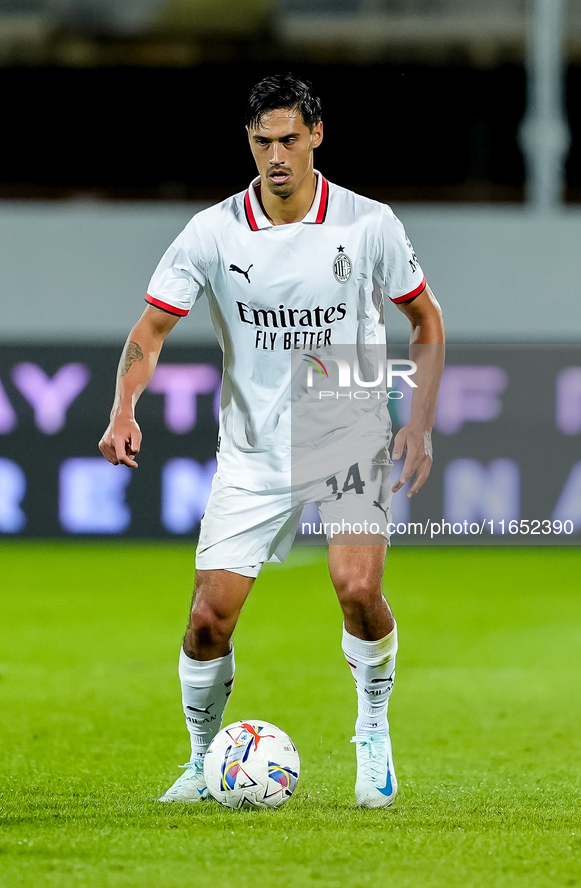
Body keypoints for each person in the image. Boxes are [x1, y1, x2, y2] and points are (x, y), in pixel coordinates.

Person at [99, 73, 445, 809]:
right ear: (249, 145)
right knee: (205, 621)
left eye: (289, 138)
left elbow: (425, 321)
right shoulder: (212, 231)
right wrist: (123, 408)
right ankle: (201, 761)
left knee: (357, 590)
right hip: (252, 441)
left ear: (317, 135)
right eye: (263, 142)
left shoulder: (366, 222)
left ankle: (373, 729)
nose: (276, 155)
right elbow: (150, 331)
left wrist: (416, 421)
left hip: (342, 411)